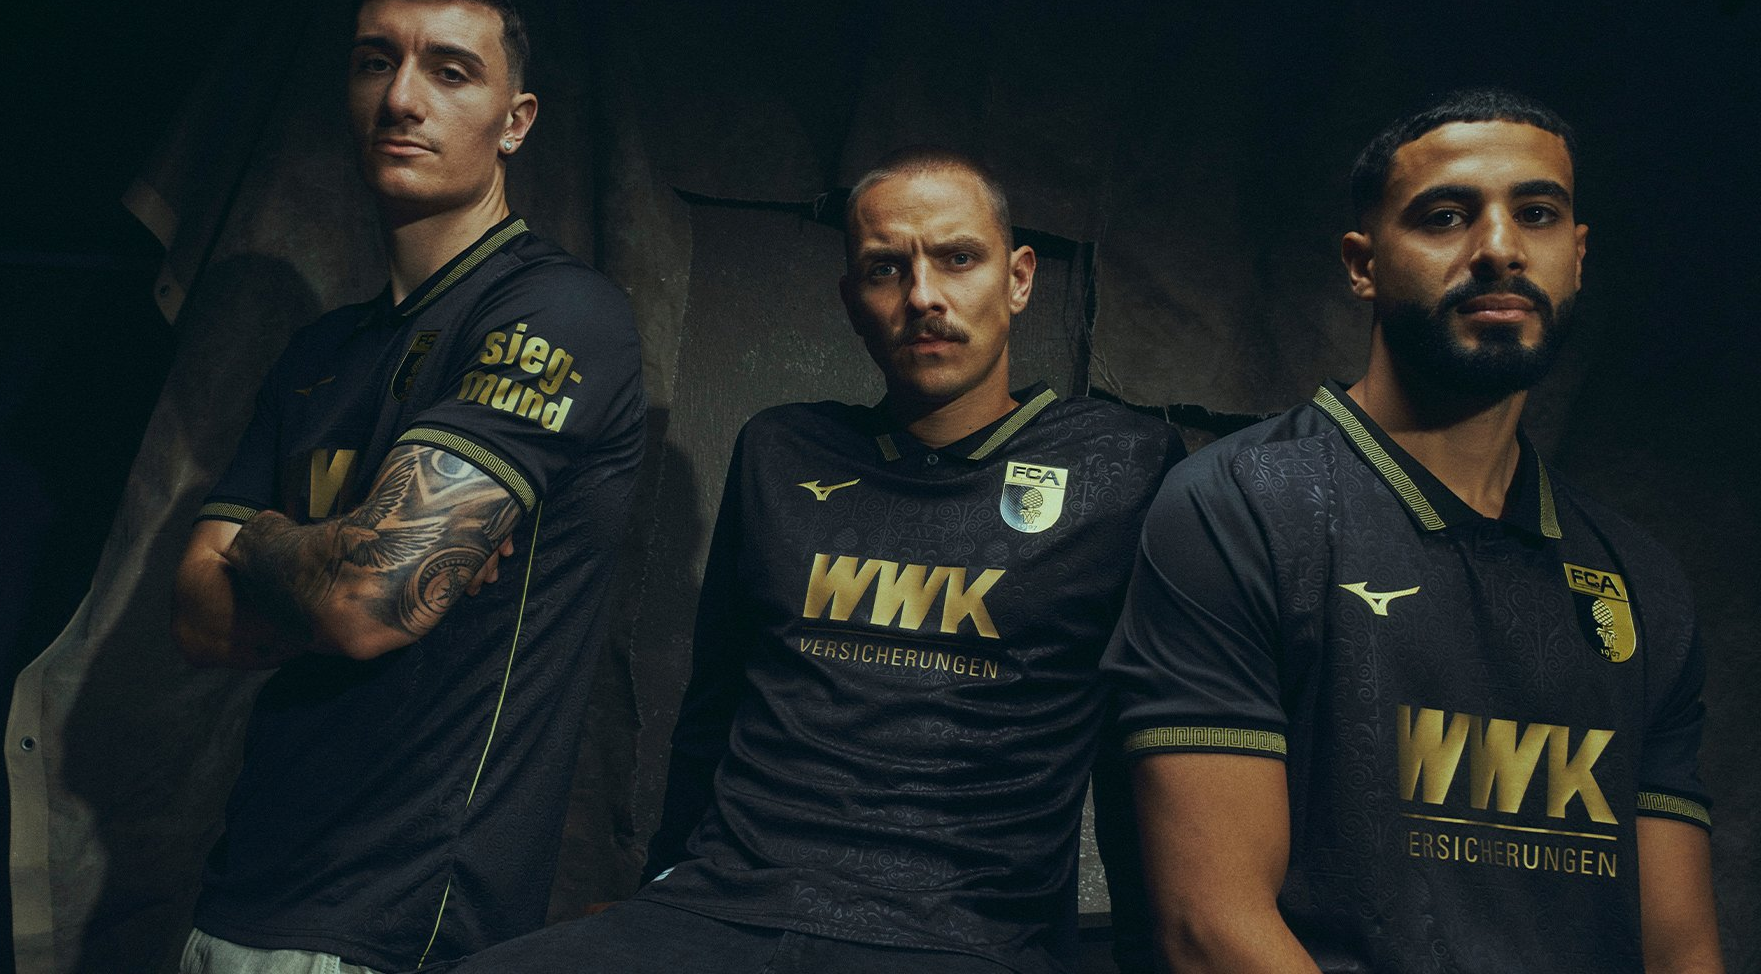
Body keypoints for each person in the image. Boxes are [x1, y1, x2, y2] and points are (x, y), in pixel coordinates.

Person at [467, 148, 1184, 974]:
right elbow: (714, 707)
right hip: (723, 908)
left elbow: (1141, 748)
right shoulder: (783, 450)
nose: (923, 296)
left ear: (1018, 279)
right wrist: (658, 891)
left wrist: (1151, 958)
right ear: (851, 300)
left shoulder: (1122, 465)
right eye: (886, 269)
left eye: (958, 259)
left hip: (959, 937)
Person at [1108, 89, 1721, 972]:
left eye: (1537, 214)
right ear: (1363, 265)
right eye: (1445, 217)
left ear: (1577, 257)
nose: (1500, 248)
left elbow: (1680, 949)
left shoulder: (1641, 583)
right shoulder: (1238, 507)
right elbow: (1211, 928)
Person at [170, 0, 646, 973]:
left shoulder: (557, 312)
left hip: (401, 923)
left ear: (515, 120)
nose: (401, 98)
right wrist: (329, 553)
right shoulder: (318, 354)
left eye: (450, 70)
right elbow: (197, 618)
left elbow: (371, 602)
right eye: (374, 61)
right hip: (240, 893)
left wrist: (262, 544)